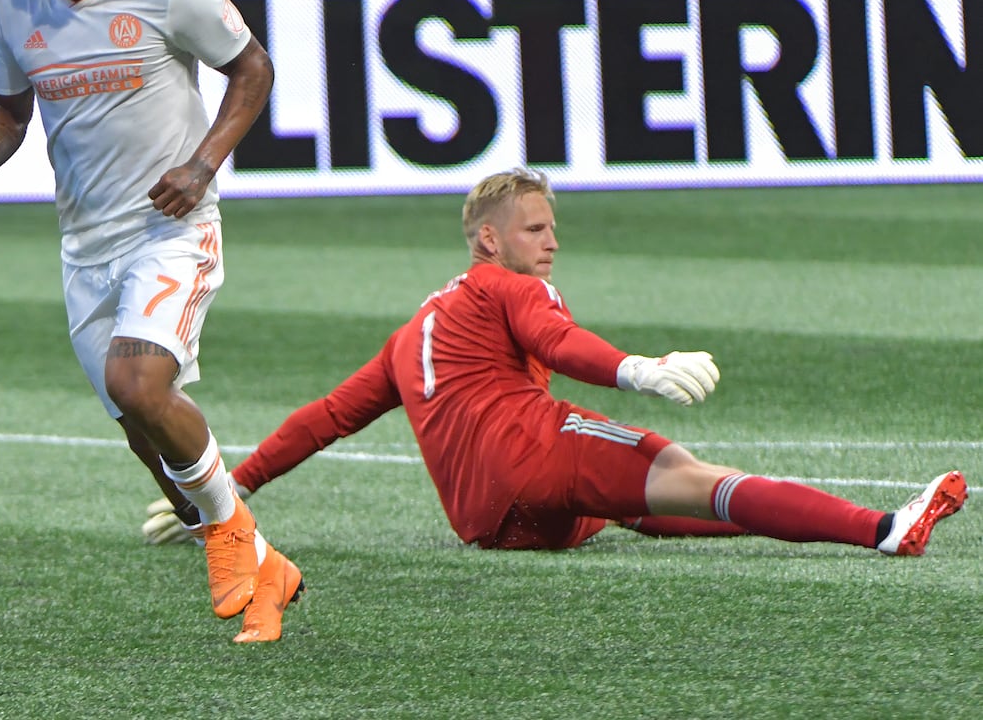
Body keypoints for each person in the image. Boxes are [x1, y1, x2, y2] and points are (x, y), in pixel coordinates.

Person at [141, 168, 968, 560]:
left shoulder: (407, 339)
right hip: (534, 463)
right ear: (489, 240)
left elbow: (323, 419)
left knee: (639, 504)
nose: (553, 241)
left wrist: (228, 488)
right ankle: (883, 529)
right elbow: (559, 344)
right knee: (679, 467)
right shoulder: (500, 286)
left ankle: (819, 520)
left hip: (491, 527)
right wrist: (637, 368)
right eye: (537, 227)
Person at [0, 0, 299, 643]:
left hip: (170, 229)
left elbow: (253, 72)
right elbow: (10, 104)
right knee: (151, 445)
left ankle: (235, 542)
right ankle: (264, 563)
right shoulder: (11, 5)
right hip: (84, 249)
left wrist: (203, 165)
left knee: (141, 386)